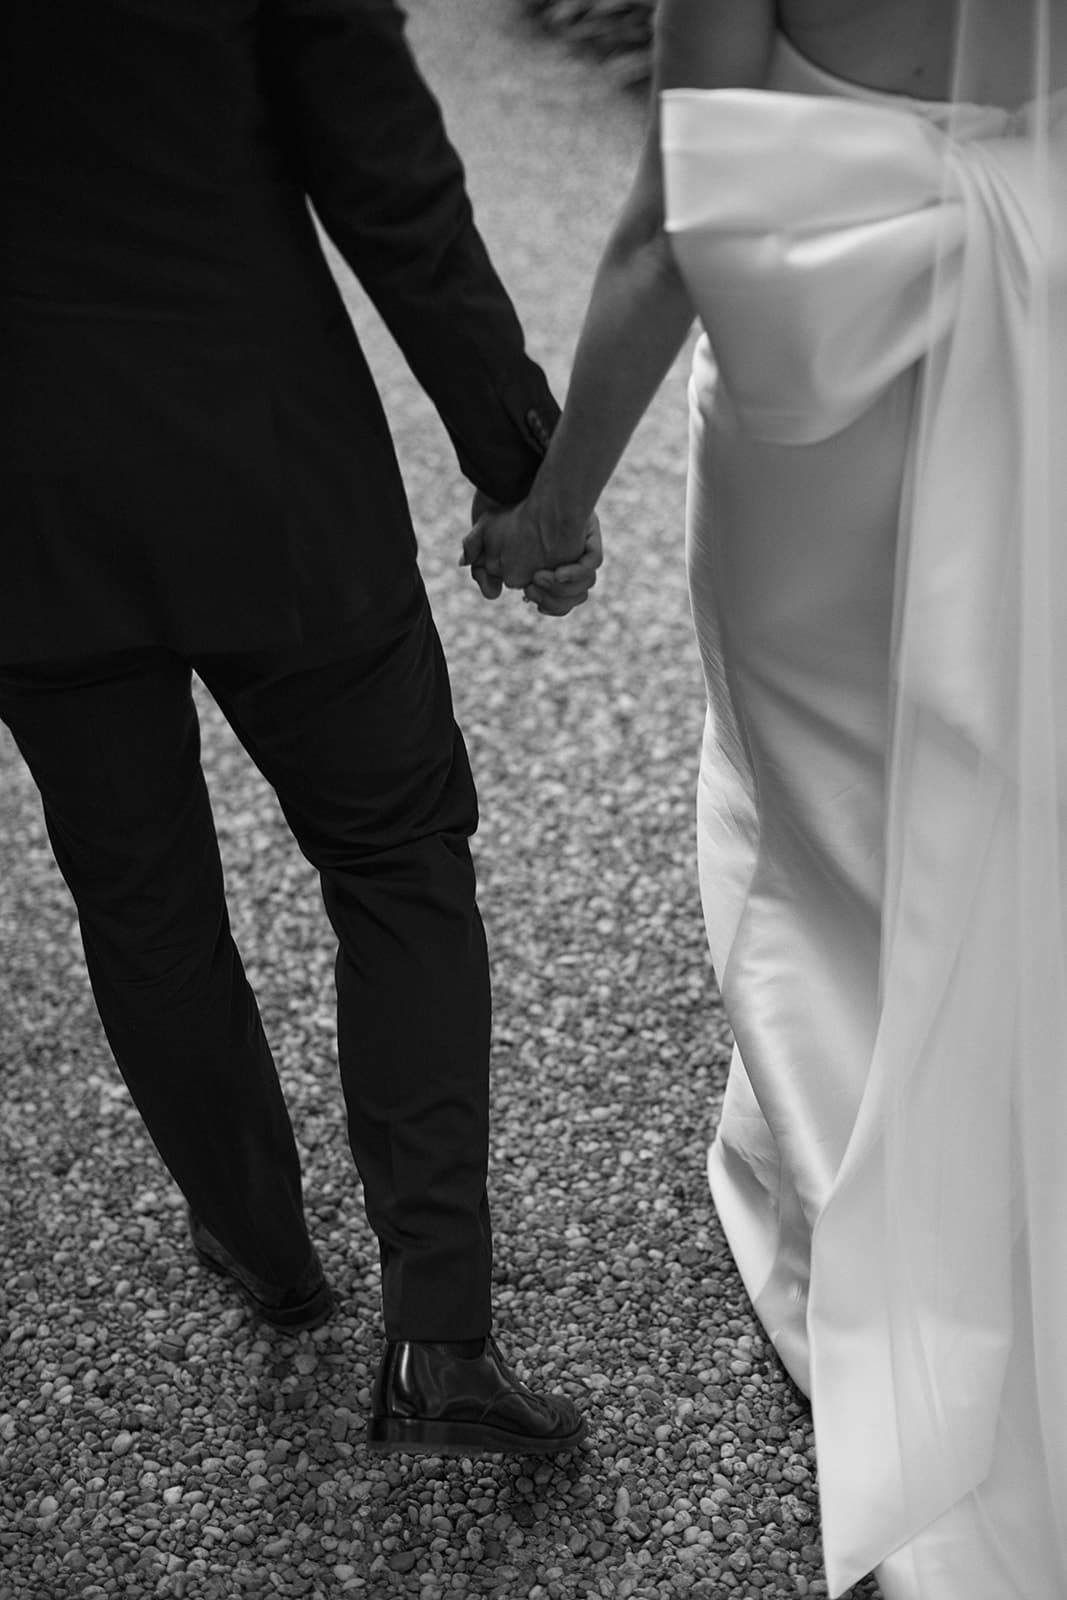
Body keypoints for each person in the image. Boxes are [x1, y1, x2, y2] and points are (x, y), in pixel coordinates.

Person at [466, 0, 1067, 1591]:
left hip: (818, 429)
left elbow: (675, 230)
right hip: (1033, 367)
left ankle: (871, 1252)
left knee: (804, 825)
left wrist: (555, 500)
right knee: (995, 796)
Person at [0, 0, 595, 1457]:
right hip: (271, 476)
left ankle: (265, 1252)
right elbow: (394, 190)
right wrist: (526, 465)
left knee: (141, 901)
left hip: (25, 506)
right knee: (397, 853)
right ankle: (439, 1338)